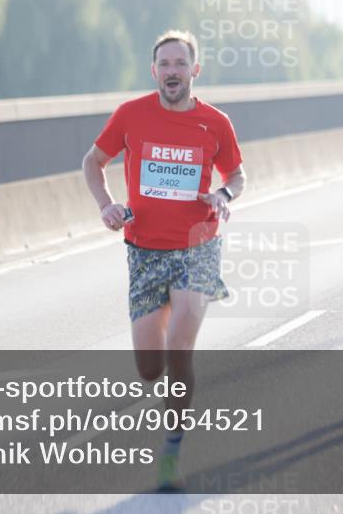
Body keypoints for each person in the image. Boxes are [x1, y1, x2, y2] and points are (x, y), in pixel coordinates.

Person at [82, 30, 246, 491]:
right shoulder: (131, 115)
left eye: (180, 63)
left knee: (179, 350)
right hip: (145, 250)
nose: (172, 71)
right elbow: (92, 162)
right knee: (150, 367)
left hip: (198, 246)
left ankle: (171, 449)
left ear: (195, 70)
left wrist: (223, 193)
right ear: (153, 71)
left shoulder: (215, 122)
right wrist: (106, 205)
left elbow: (237, 174)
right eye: (164, 64)